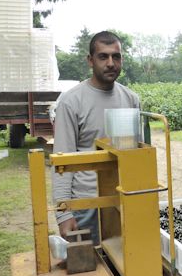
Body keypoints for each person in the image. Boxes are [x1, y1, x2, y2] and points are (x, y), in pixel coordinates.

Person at [52, 31, 140, 245]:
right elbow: (62, 161)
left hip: (123, 200)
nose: (111, 63)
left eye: (116, 56)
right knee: (92, 271)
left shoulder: (131, 99)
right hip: (86, 205)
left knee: (125, 268)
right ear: (90, 60)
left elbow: (137, 156)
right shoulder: (71, 101)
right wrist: (63, 213)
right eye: (103, 56)